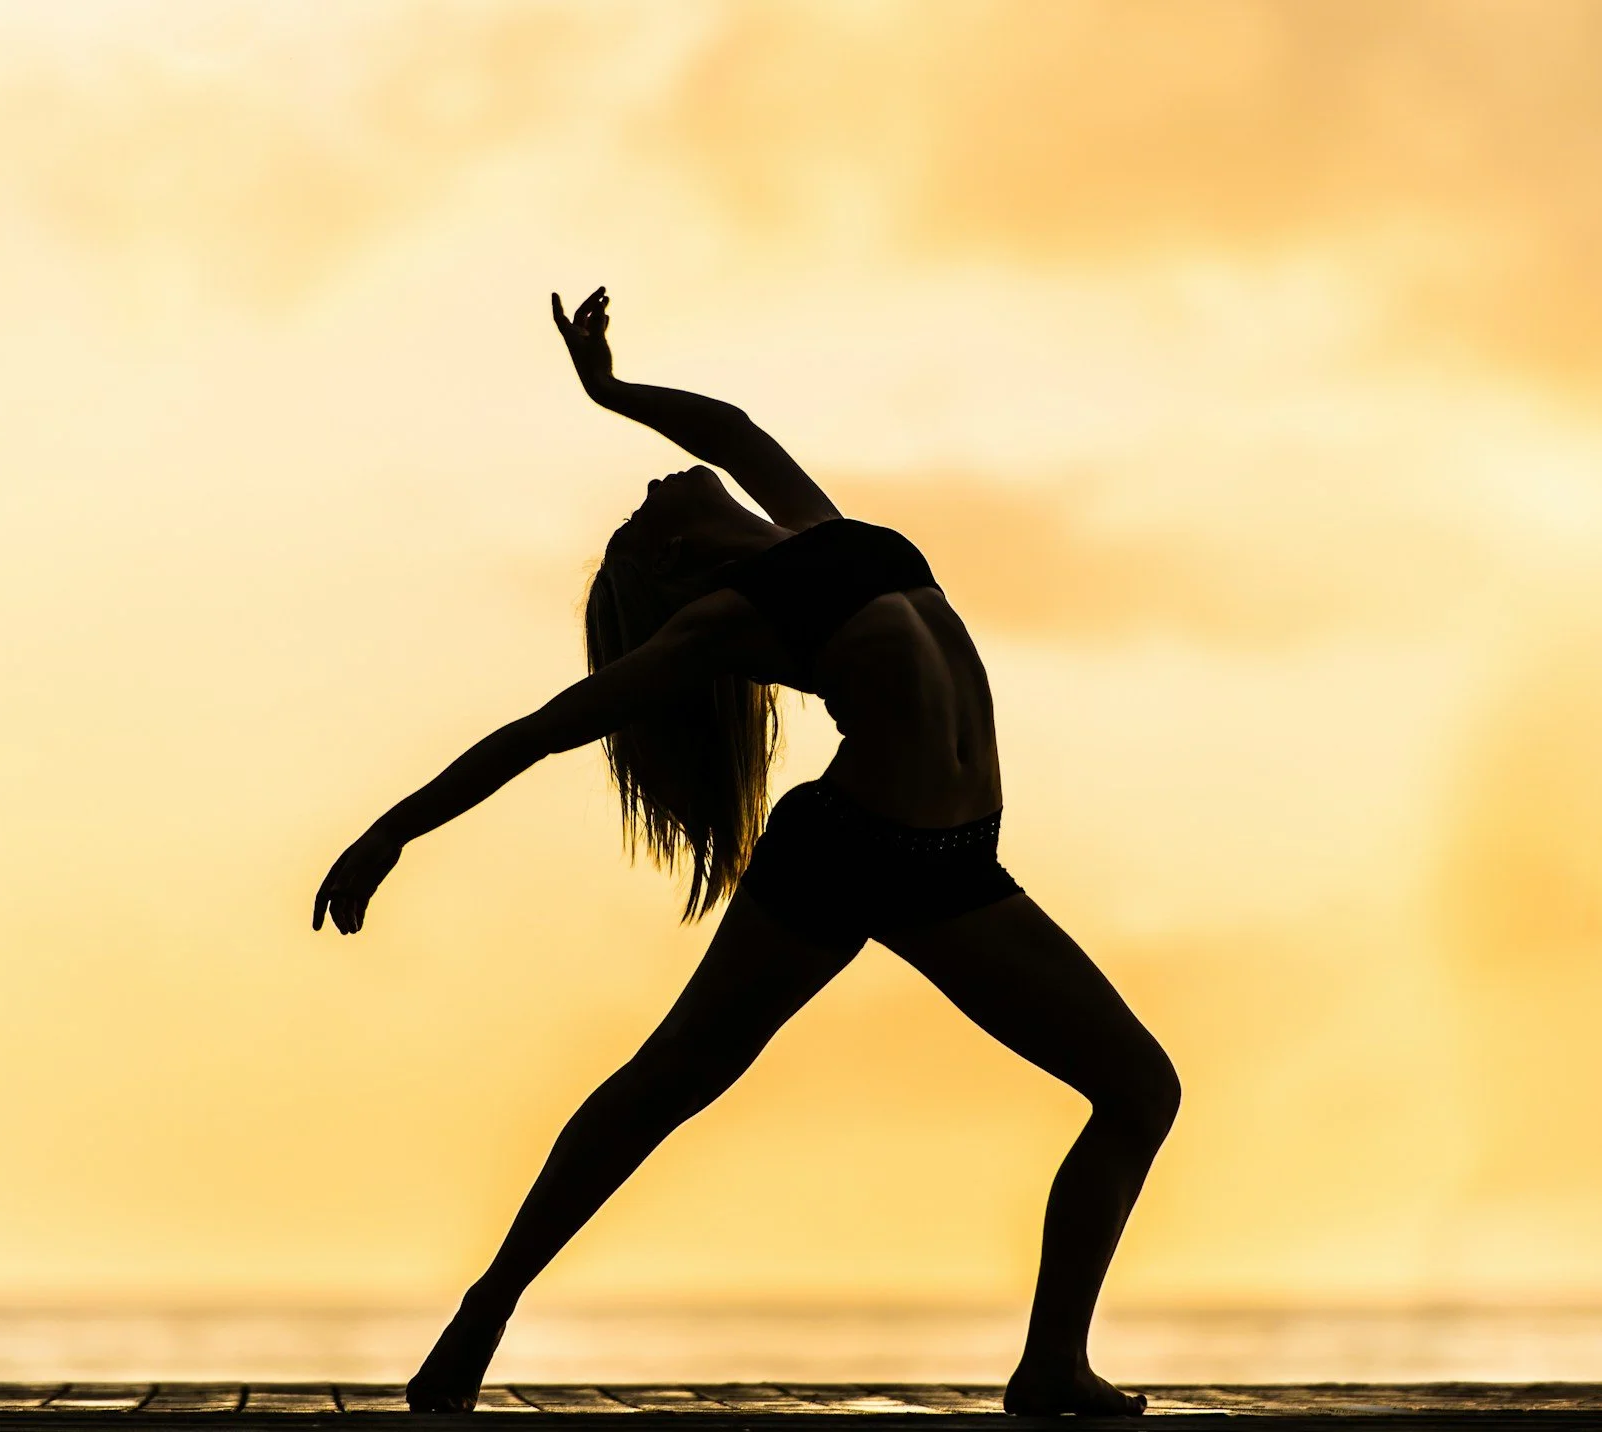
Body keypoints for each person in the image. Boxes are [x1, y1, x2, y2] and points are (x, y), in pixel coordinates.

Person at [315, 289, 1179, 1416]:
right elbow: (544, 729)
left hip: (957, 869)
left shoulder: (820, 533)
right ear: (667, 561)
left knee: (1137, 1088)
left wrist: (610, 390)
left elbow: (726, 432)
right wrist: (392, 830)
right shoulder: (721, 619)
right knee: (668, 1082)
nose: (655, 480)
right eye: (641, 506)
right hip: (848, 852)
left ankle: (1051, 1364)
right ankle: (484, 1312)